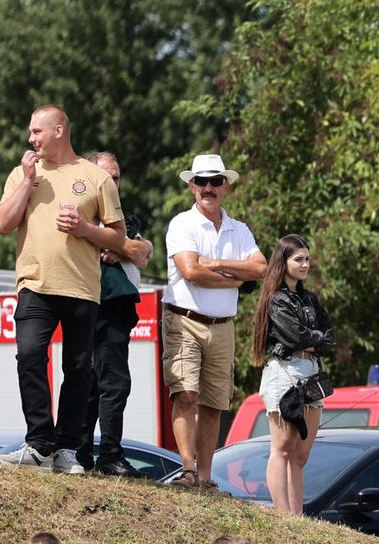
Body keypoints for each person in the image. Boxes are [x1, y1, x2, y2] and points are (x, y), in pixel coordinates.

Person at [0, 104, 127, 475]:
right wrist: (25, 180)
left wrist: (86, 229)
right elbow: (2, 224)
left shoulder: (95, 177)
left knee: (79, 368)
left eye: (37, 131)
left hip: (82, 287)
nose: (30, 138)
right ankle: (39, 442)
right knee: (30, 355)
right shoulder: (23, 174)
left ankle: (68, 449)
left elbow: (118, 237)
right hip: (34, 284)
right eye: (30, 132)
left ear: (59, 131)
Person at [162, 154, 264, 487]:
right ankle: (189, 470)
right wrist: (236, 276)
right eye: (202, 181)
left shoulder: (240, 228)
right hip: (184, 320)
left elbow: (261, 269)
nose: (208, 188)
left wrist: (216, 264)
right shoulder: (181, 223)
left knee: (213, 403)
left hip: (223, 325)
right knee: (186, 394)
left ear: (226, 187)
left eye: (216, 181)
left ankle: (204, 478)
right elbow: (191, 271)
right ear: (191, 185)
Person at [85, 151, 155, 478]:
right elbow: (131, 248)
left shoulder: (121, 218)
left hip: (117, 306)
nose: (113, 183)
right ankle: (108, 454)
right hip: (99, 305)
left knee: (97, 382)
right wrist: (119, 245)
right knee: (110, 382)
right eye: (106, 177)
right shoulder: (85, 211)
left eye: (116, 178)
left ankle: (83, 452)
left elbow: (143, 251)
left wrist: (123, 246)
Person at [253, 233, 335, 513]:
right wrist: (315, 340)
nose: (304, 264)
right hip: (284, 371)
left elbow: (330, 336)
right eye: (298, 259)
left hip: (311, 373)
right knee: (283, 448)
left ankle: (297, 515)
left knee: (301, 454)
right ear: (283, 261)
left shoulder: (310, 298)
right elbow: (294, 336)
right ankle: (283, 513)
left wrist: (314, 341)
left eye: (307, 259)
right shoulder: (276, 298)